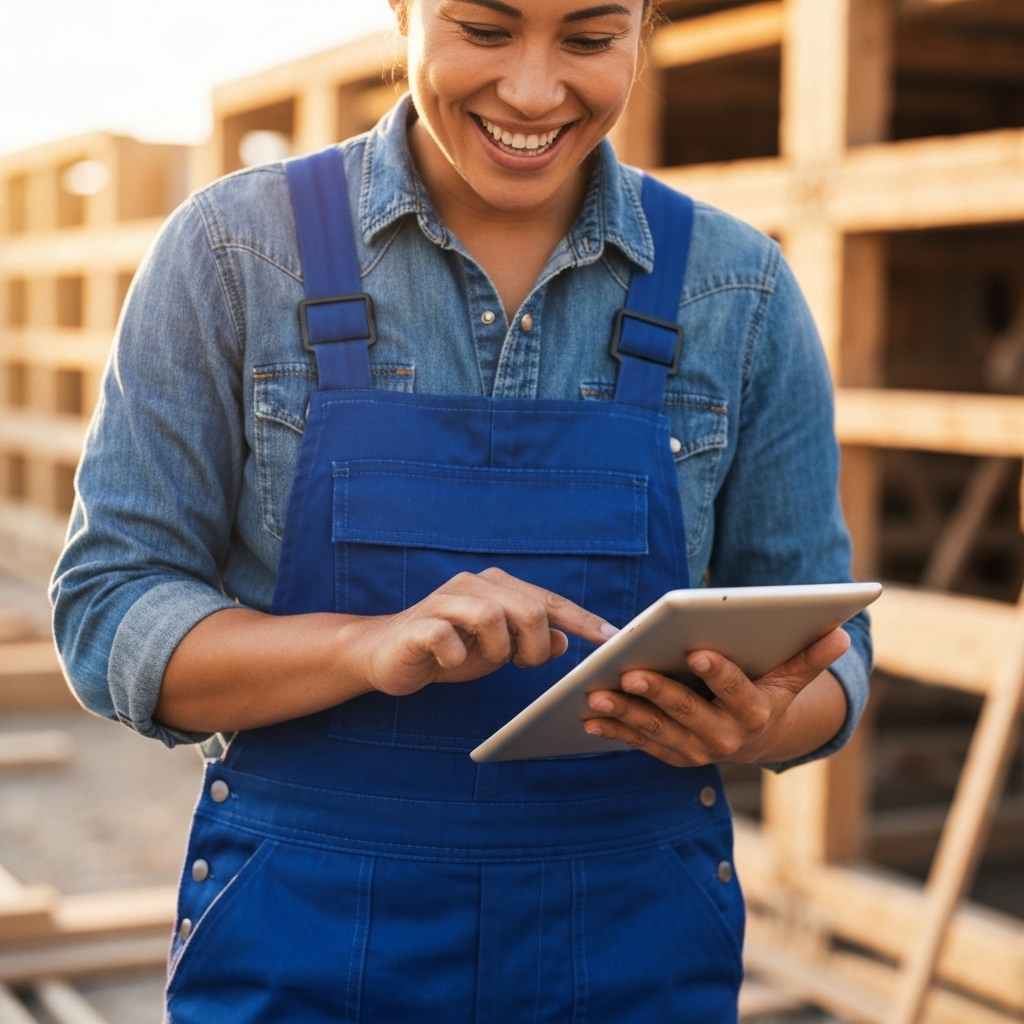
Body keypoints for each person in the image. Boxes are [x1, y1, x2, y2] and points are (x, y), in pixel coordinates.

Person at [51, 0, 872, 1020]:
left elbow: (834, 651)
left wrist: (758, 723)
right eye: (483, 31)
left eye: (587, 39)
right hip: (307, 939)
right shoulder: (234, 254)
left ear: (644, 24)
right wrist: (362, 647)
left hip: (627, 945)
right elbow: (107, 610)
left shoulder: (735, 289)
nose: (531, 91)